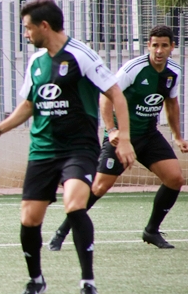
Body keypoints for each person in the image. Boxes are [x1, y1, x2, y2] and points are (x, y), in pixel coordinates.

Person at [0, 0, 136, 294]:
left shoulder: (81, 55)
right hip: (42, 151)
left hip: (78, 148)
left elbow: (115, 93)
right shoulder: (37, 62)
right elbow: (28, 105)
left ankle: (88, 282)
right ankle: (35, 280)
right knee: (29, 219)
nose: (25, 34)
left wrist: (124, 137)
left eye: (27, 28)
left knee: (75, 204)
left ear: (44, 26)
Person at [49, 25, 187, 251]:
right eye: (154, 45)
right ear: (148, 46)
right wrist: (112, 130)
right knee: (99, 187)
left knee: (175, 179)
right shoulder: (134, 69)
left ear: (172, 47)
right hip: (122, 136)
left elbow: (171, 103)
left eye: (164, 45)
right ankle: (63, 230)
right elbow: (107, 97)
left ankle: (151, 231)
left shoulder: (174, 72)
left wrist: (177, 136)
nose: (159, 50)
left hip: (148, 135)